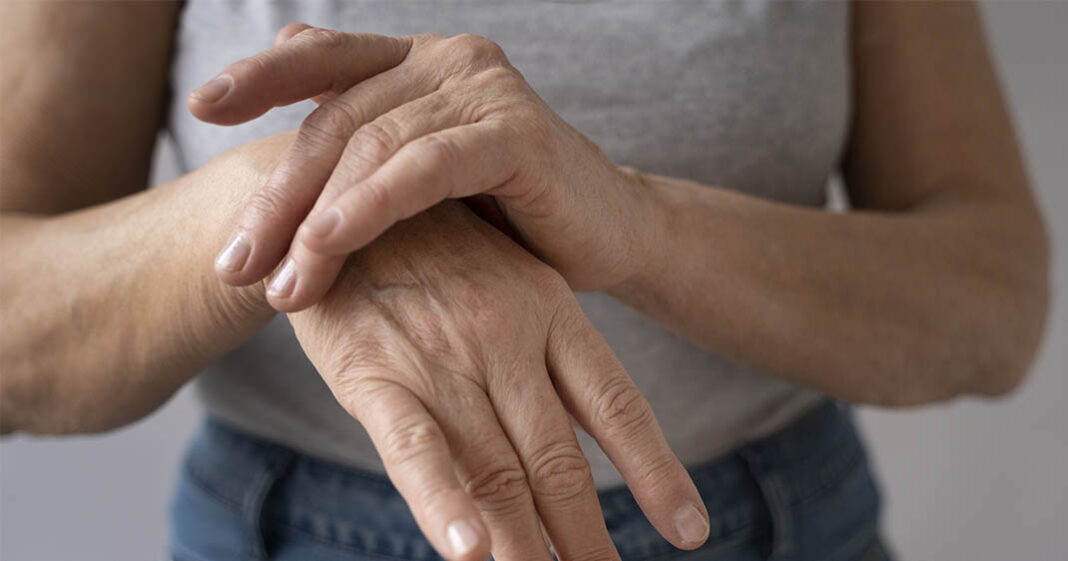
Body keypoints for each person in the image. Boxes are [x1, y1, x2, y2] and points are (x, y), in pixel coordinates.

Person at [0, 2, 1049, 560]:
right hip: (297, 532)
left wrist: (633, 222)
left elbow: (993, 299)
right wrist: (311, 202)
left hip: (779, 524)